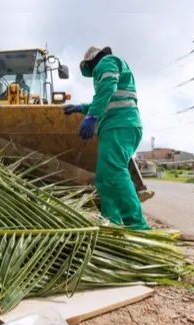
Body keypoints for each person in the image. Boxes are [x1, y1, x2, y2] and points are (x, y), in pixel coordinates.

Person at [62, 46, 150, 230]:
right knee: (103, 177)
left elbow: (108, 87)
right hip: (116, 126)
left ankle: (137, 225)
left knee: (115, 171)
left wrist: (92, 115)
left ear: (93, 59)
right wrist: (81, 108)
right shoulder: (108, 66)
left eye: (89, 68)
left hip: (121, 124)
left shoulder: (107, 62)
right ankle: (111, 220)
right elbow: (107, 97)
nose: (92, 73)